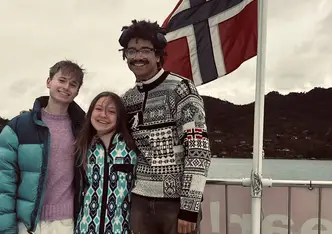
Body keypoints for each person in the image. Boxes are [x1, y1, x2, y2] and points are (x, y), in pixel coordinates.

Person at [120, 20, 212, 234]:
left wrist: (189, 209)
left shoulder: (181, 89)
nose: (137, 56)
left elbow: (198, 150)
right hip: (139, 202)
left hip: (175, 204)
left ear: (159, 55)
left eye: (145, 50)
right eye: (131, 51)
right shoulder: (127, 99)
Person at [0, 60, 86, 234]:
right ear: (49, 82)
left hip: (68, 223)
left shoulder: (83, 129)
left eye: (73, 84)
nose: (66, 87)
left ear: (77, 92)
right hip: (27, 224)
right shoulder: (18, 127)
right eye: (61, 80)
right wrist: (7, 228)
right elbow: (3, 183)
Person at [74, 92, 138, 234]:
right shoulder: (84, 147)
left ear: (119, 117)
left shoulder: (132, 148)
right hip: (86, 228)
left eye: (111, 111)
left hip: (120, 228)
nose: (103, 115)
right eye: (98, 109)